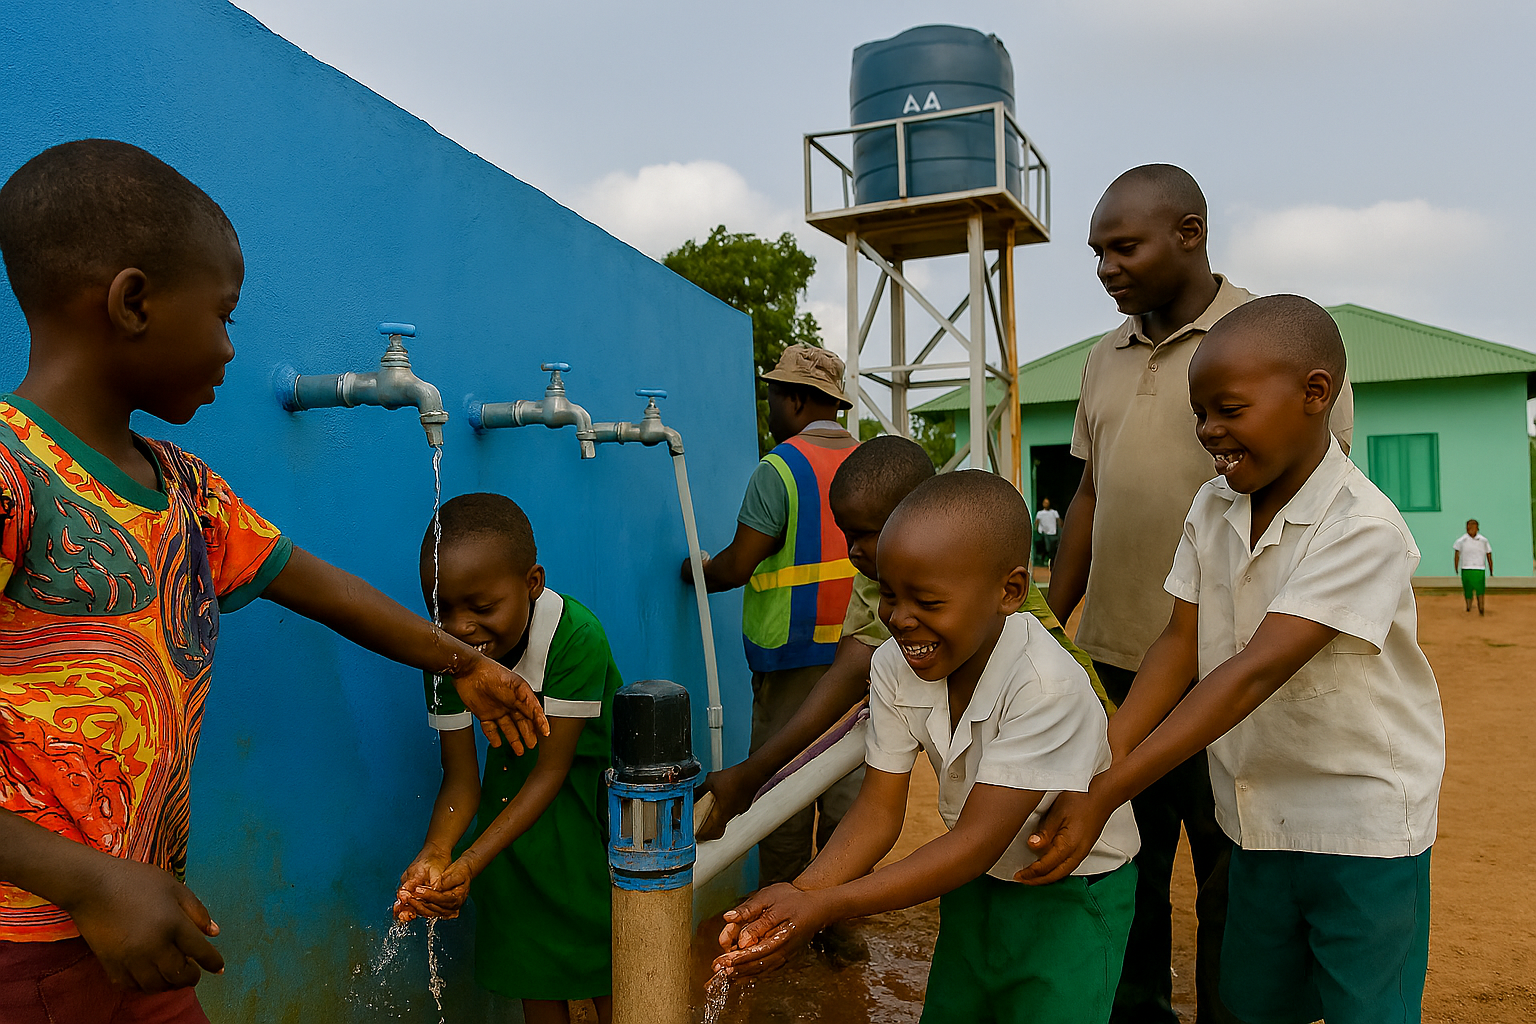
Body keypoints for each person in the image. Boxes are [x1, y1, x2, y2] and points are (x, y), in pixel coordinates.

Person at [0, 140, 547, 1023]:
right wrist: (91, 882)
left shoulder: (186, 488)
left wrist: (467, 665)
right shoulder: (11, 475)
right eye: (222, 314)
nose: (227, 348)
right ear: (133, 302)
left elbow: (323, 589)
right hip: (25, 946)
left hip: (138, 925)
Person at [1020, 295, 1444, 1024]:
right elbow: (1177, 644)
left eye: (1230, 410)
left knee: (1366, 1008)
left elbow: (1249, 673)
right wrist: (1099, 762)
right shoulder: (1213, 508)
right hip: (1255, 818)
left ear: (1315, 395)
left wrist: (1106, 791)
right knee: (1252, 1003)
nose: (1210, 432)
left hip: (1362, 827)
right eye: (1200, 414)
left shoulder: (1362, 529)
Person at [1047, 164, 1354, 1024]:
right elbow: (1090, 496)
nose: (1106, 266)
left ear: (1189, 234)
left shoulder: (1270, 348)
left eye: (1124, 246)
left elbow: (1312, 500)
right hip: (1119, 665)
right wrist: (1048, 615)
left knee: (1232, 881)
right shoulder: (1101, 359)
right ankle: (1139, 1010)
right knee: (1125, 870)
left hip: (1228, 671)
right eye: (1097, 251)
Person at [713, 471, 1141, 1024]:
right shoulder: (898, 662)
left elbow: (977, 840)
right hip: (969, 886)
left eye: (929, 601)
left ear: (1009, 593)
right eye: (889, 596)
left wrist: (824, 905)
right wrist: (796, 898)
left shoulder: (1045, 685)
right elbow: (878, 810)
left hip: (1071, 897)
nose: (901, 619)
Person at [696, 436, 1112, 842]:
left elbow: (847, 675)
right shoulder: (889, 581)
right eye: (846, 535)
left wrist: (752, 773)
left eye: (864, 534)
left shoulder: (975, 577)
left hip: (1067, 757)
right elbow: (859, 664)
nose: (853, 552)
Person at [393, 494, 620, 1024]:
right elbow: (461, 779)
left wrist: (470, 861)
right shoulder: (443, 653)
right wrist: (438, 852)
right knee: (529, 959)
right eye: (441, 609)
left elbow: (553, 772)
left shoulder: (574, 638)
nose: (461, 627)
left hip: (590, 813)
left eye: (482, 608)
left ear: (532, 583)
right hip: (510, 824)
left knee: (609, 956)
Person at [681, 343, 859, 882]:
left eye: (775, 396)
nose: (770, 408)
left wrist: (695, 571)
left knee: (781, 792)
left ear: (800, 401)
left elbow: (737, 566)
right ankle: (834, 919)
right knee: (848, 785)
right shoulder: (868, 462)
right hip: (863, 653)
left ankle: (779, 916)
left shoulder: (779, 468)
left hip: (792, 658)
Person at [1453, 519, 1493, 615]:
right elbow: (1456, 555)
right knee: (1467, 589)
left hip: (1479, 568)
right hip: (1466, 568)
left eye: (1472, 527)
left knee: (1480, 590)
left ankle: (1481, 608)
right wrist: (1456, 567)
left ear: (1477, 528)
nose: (1470, 529)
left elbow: (1489, 555)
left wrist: (1491, 568)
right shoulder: (1461, 541)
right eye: (1468, 527)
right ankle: (1468, 606)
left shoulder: (1483, 541)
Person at [1034, 496, 1061, 570]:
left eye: (1047, 502)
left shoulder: (1054, 512)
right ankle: (1045, 561)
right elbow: (1036, 522)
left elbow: (1059, 520)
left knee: (1052, 548)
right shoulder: (1040, 513)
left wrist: (1061, 529)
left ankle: (1050, 561)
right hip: (1044, 532)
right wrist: (1035, 530)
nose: (1046, 504)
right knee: (1047, 547)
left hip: (1052, 532)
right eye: (1045, 502)